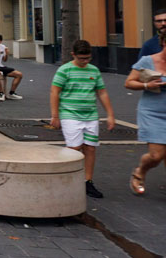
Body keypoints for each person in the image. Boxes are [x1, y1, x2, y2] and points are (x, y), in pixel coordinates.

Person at [50, 39, 115, 199]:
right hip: (70, 114)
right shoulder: (65, 70)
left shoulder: (94, 71)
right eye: (82, 58)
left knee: (90, 148)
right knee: (74, 148)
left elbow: (102, 92)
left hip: (90, 115)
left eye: (88, 58)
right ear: (73, 55)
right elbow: (54, 92)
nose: (85, 61)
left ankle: (88, 181)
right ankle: (65, 178)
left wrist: (110, 114)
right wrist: (55, 115)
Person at [123, 27, 166, 196]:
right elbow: (129, 83)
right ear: (163, 43)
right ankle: (140, 171)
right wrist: (148, 85)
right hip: (153, 112)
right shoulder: (147, 61)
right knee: (156, 155)